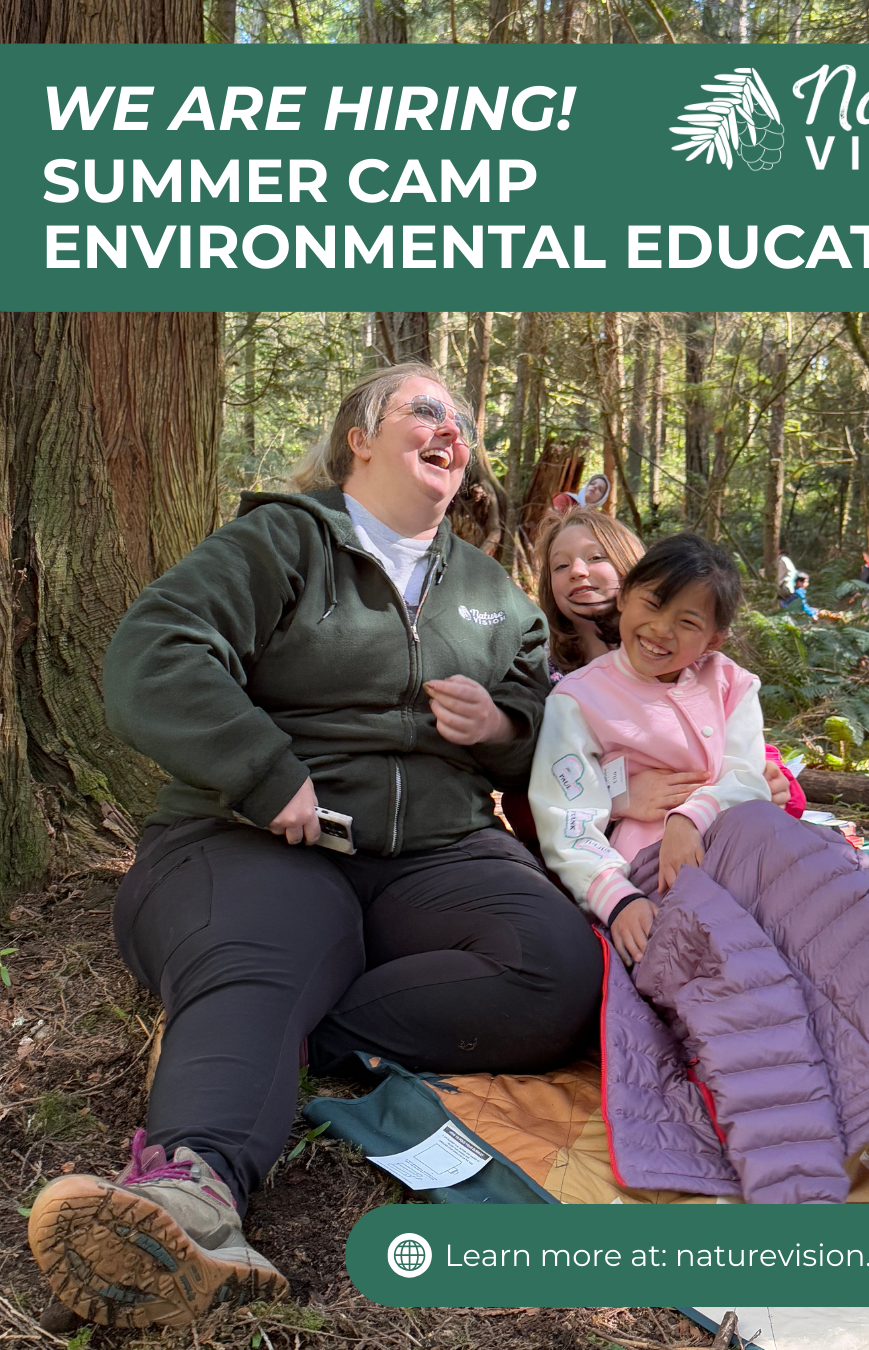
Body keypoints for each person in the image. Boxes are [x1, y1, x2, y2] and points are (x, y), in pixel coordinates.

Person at [27, 364, 602, 1329]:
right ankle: (189, 1199)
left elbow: (548, 733)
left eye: (461, 421)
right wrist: (262, 768)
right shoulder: (281, 540)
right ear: (359, 440)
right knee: (270, 944)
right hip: (254, 836)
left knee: (552, 970)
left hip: (437, 850)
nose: (450, 429)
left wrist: (497, 731)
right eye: (426, 410)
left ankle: (274, 1023)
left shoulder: (496, 595)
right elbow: (156, 651)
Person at [529, 533, 773, 966]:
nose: (661, 630)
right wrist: (618, 899)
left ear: (714, 640)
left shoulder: (730, 683)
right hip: (646, 868)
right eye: (654, 604)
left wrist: (689, 817)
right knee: (719, 962)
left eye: (688, 622)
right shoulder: (577, 697)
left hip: (745, 849)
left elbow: (746, 775)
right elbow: (565, 814)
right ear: (625, 598)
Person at [535, 506, 802, 821]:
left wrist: (774, 779)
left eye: (596, 558)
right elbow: (538, 792)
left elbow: (738, 746)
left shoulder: (682, 658)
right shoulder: (545, 676)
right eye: (560, 565)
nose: (578, 570)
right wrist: (617, 799)